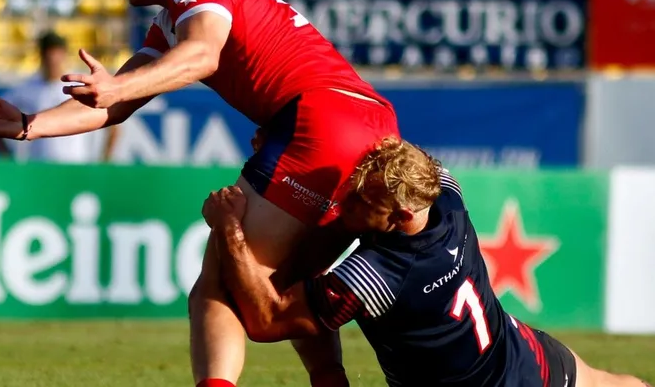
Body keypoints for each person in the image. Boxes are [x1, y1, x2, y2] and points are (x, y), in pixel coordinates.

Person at [0, 0, 399, 387]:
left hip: (319, 121)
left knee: (219, 285)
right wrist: (31, 123)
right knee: (294, 282)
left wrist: (117, 87)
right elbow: (116, 104)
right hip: (373, 129)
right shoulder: (176, 17)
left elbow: (202, 55)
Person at [202, 137, 652, 387]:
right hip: (522, 353)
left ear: (400, 216)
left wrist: (230, 230)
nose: (345, 204)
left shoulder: (378, 275)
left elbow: (268, 319)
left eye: (361, 203)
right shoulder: (445, 196)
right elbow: (415, 159)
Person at [0, 30, 118, 163]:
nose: (52, 59)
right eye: (48, 53)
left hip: (76, 165)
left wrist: (105, 161)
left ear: (64, 54)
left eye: (56, 53)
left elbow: (113, 123)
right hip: (40, 166)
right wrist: (7, 158)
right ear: (41, 55)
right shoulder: (27, 88)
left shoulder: (78, 85)